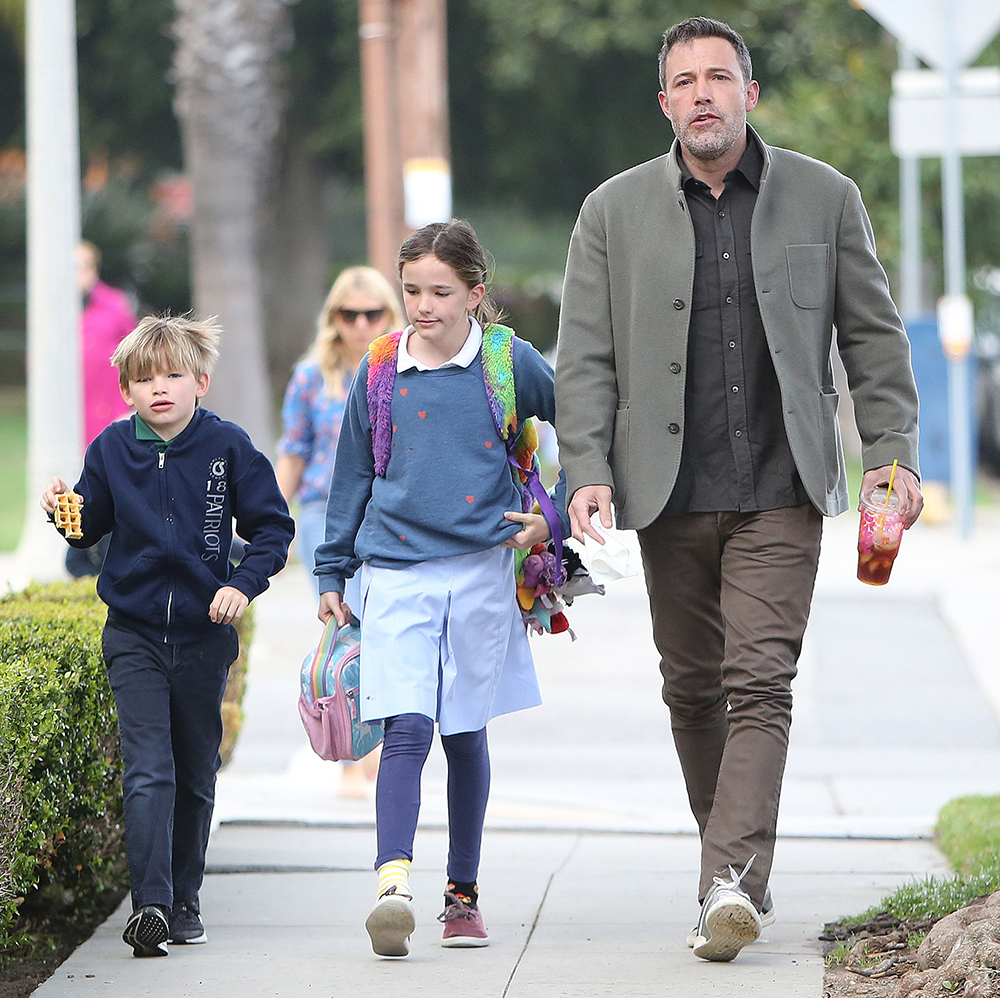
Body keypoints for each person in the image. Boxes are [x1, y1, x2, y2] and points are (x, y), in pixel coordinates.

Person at [555, 16, 922, 964]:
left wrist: (892, 453)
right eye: (687, 81)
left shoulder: (826, 198)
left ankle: (725, 881)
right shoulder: (611, 212)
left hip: (783, 485)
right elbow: (586, 357)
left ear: (750, 94)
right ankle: (741, 871)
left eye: (722, 76)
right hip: (668, 492)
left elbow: (873, 342)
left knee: (760, 680)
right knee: (693, 690)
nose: (705, 93)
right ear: (666, 103)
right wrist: (586, 467)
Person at [314, 218, 568, 958]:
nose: (423, 306)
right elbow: (352, 475)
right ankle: (392, 886)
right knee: (405, 725)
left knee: (463, 731)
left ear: (474, 292)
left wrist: (551, 514)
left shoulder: (507, 361)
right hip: (394, 571)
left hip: (483, 571)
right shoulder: (381, 368)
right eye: (412, 290)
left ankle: (463, 897)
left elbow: (583, 425)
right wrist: (331, 570)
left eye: (440, 292)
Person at [40, 315, 294, 959]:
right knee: (148, 767)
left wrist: (243, 583)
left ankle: (185, 900)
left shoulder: (227, 447)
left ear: (201, 382)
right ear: (126, 390)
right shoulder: (109, 450)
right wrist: (64, 514)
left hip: (206, 636)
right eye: (144, 379)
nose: (160, 388)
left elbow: (272, 529)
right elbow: (89, 526)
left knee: (195, 771)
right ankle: (149, 905)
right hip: (134, 635)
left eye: (173, 375)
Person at [276, 269, 403, 798]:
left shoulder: (402, 368)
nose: (360, 324)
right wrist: (270, 524)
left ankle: (379, 750)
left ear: (388, 314)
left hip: (387, 517)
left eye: (372, 313)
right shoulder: (311, 376)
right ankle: (354, 756)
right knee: (345, 632)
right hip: (322, 516)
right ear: (333, 319)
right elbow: (294, 450)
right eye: (349, 314)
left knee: (385, 631)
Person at [67, 240, 138, 578]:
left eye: (80, 266)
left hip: (110, 419)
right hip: (71, 424)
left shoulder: (114, 306)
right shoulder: (53, 308)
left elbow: (138, 357)